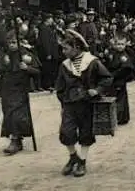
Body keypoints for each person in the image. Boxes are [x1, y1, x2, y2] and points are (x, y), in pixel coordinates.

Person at [55, 29, 113, 177]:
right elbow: (60, 87)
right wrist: (64, 101)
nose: (63, 52)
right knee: (66, 132)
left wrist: (97, 90)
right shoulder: (64, 65)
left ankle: (82, 161)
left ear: (77, 47)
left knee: (86, 133)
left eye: (66, 48)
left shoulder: (92, 62)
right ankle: (72, 156)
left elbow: (107, 78)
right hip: (69, 104)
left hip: (86, 104)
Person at [0, 30, 41, 155]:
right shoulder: (6, 55)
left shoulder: (26, 54)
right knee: (8, 114)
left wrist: (27, 68)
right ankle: (16, 138)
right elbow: (0, 70)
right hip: (7, 89)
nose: (11, 45)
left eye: (13, 42)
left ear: (19, 42)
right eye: (9, 42)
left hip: (20, 89)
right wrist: (4, 64)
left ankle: (15, 140)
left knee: (17, 114)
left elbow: (37, 71)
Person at [105, 31, 134, 125]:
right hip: (112, 80)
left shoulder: (124, 56)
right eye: (118, 44)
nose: (120, 46)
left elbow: (126, 68)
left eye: (122, 44)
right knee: (112, 97)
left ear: (125, 44)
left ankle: (121, 118)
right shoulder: (112, 53)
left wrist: (113, 75)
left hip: (119, 80)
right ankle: (113, 116)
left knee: (120, 99)